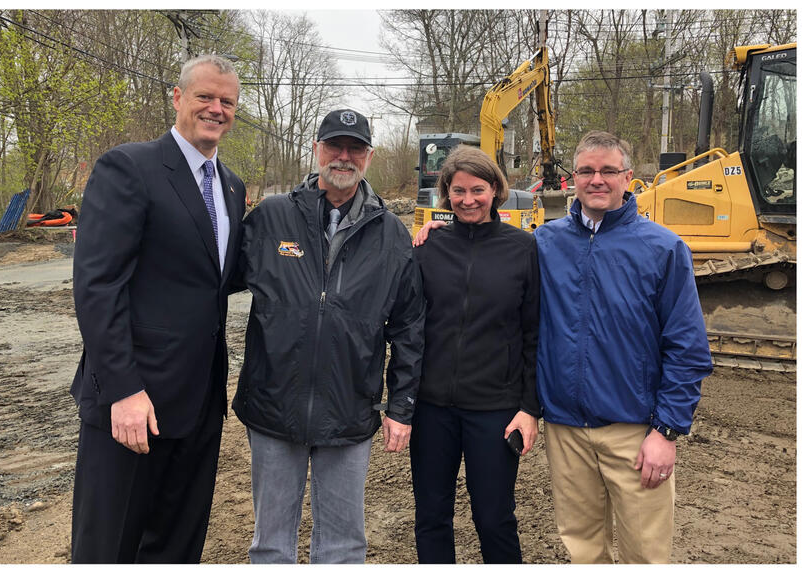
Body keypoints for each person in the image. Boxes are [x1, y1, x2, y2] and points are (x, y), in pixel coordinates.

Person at [69, 53, 245, 564]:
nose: (216, 108)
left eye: (227, 101)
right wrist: (122, 389)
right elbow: (98, 286)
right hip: (133, 405)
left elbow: (226, 276)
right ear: (177, 98)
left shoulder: (231, 187)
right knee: (109, 548)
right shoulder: (129, 167)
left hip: (199, 403)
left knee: (176, 548)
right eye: (205, 97)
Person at [233, 109, 426, 564]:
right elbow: (208, 284)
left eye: (354, 148)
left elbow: (409, 328)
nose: (344, 157)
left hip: (349, 410)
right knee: (270, 543)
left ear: (369, 157)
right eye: (334, 146)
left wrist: (401, 406)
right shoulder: (271, 218)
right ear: (317, 149)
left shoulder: (392, 235)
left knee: (343, 546)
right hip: (273, 407)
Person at [536, 131, 714, 563]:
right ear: (571, 179)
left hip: (636, 432)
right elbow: (490, 257)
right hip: (565, 430)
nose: (597, 180)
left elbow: (687, 349)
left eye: (608, 171)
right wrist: (437, 230)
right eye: (586, 171)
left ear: (629, 178)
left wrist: (667, 431)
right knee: (582, 548)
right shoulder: (544, 243)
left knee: (645, 554)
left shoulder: (663, 249)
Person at [410, 145, 542, 564]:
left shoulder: (523, 249)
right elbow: (408, 324)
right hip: (432, 408)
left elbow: (534, 333)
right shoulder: (428, 248)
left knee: (495, 518)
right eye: (458, 191)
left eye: (478, 190)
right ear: (446, 194)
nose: (468, 200)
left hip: (495, 410)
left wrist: (529, 407)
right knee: (431, 516)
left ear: (496, 190)